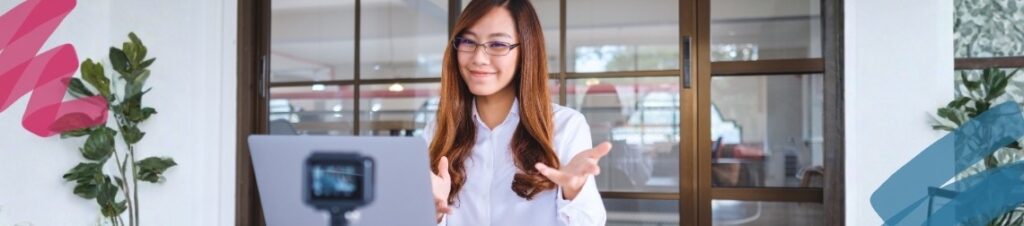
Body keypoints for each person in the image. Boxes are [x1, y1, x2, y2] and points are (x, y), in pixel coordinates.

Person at [422, 0, 610, 225]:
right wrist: (433, 213)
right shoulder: (438, 131)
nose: (478, 58)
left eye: (498, 44)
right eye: (468, 41)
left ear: (526, 51)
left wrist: (574, 191)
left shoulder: (565, 126)